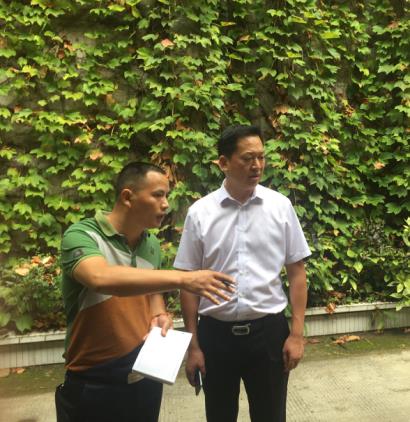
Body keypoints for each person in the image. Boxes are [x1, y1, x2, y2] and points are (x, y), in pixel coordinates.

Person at [55, 162, 234, 422]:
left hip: (144, 373)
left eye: (167, 195)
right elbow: (99, 278)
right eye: (158, 195)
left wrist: (159, 315)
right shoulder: (82, 235)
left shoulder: (151, 244)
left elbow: (152, 295)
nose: (166, 204)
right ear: (128, 197)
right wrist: (184, 279)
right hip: (93, 377)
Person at [174, 125, 312, 422]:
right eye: (248, 158)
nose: (257, 165)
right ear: (224, 163)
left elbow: (297, 272)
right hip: (215, 337)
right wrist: (193, 346)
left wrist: (296, 335)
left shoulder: (280, 206)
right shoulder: (200, 213)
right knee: (219, 415)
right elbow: (188, 284)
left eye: (261, 157)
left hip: (269, 335)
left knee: (271, 416)